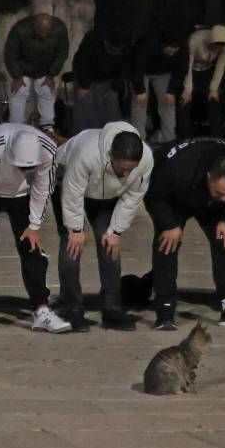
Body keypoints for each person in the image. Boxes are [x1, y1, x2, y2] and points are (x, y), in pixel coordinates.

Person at [0, 122, 72, 335]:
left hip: (22, 194)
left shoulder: (48, 150)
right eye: (21, 167)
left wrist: (34, 225)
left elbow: (43, 188)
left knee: (32, 247)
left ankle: (41, 309)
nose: (24, 171)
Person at [145, 136, 225, 331]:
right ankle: (165, 308)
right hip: (175, 197)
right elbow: (153, 194)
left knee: (224, 239)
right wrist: (169, 224)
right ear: (209, 176)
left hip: (210, 206)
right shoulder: (178, 168)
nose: (224, 199)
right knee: (167, 242)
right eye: (220, 193)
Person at [53, 121, 151, 332]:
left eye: (131, 170)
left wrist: (116, 230)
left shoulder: (146, 160)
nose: (126, 175)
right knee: (72, 245)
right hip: (67, 181)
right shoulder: (86, 154)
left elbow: (133, 196)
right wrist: (76, 229)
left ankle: (112, 307)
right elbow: (72, 192)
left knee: (109, 244)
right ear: (110, 156)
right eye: (122, 169)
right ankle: (72, 307)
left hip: (106, 193)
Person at [69, 25, 136, 134]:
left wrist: (115, 88)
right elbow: (81, 62)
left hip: (109, 77)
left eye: (116, 51)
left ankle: (113, 135)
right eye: (111, 50)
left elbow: (124, 69)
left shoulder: (127, 45)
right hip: (87, 74)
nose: (112, 53)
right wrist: (83, 86)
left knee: (111, 108)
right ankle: (86, 136)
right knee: (86, 105)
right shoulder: (92, 38)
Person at [179, 24, 225, 140]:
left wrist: (214, 88)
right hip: (191, 70)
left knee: (213, 100)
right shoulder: (195, 40)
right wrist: (187, 89)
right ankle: (186, 137)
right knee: (185, 100)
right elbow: (187, 65)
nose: (218, 47)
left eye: (221, 45)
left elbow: (221, 65)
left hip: (208, 70)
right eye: (216, 44)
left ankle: (217, 136)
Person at [135, 29, 187, 142]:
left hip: (164, 72)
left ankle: (169, 138)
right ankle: (139, 139)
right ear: (163, 46)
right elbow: (136, 68)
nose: (172, 54)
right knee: (140, 104)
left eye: (174, 53)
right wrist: (140, 90)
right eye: (169, 52)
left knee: (168, 103)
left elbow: (181, 71)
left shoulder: (182, 49)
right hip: (142, 71)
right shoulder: (146, 45)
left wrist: (171, 91)